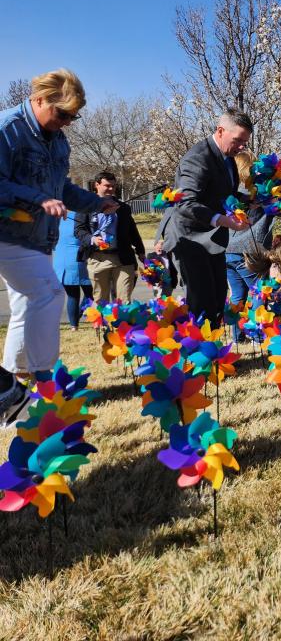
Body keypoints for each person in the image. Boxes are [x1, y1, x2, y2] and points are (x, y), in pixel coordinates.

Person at [0, 68, 117, 419]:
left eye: (73, 116)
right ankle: (43, 380)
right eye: (62, 113)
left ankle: (13, 396)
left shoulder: (58, 140)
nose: (67, 122)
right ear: (39, 99)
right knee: (48, 293)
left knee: (26, 304)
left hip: (36, 236)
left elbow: (61, 188)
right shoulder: (8, 130)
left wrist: (97, 203)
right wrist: (37, 198)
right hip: (7, 231)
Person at [165, 109, 252, 327]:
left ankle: (212, 354)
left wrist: (253, 200)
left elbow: (224, 195)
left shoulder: (227, 158)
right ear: (220, 131)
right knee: (201, 302)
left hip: (213, 241)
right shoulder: (198, 158)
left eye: (245, 142)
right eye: (238, 140)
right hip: (191, 240)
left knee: (217, 298)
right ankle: (198, 358)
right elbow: (185, 202)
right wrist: (222, 220)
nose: (242, 146)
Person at [225, 150, 281, 337]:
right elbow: (280, 210)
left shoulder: (232, 192)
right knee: (259, 292)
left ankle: (237, 337)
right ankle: (257, 335)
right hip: (250, 251)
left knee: (237, 295)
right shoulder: (257, 191)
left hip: (228, 250)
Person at [75, 170, 145, 303]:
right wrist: (92, 239)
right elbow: (79, 230)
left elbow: (132, 231)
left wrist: (140, 251)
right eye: (107, 186)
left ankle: (121, 323)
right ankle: (102, 324)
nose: (111, 189)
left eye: (113, 186)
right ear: (97, 185)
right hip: (97, 259)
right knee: (101, 300)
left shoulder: (123, 207)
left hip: (123, 258)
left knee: (124, 300)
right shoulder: (86, 206)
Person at [52, 213, 92, 331]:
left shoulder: (57, 218)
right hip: (78, 259)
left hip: (60, 260)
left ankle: (74, 325)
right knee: (92, 293)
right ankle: (78, 315)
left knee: (72, 295)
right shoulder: (82, 216)